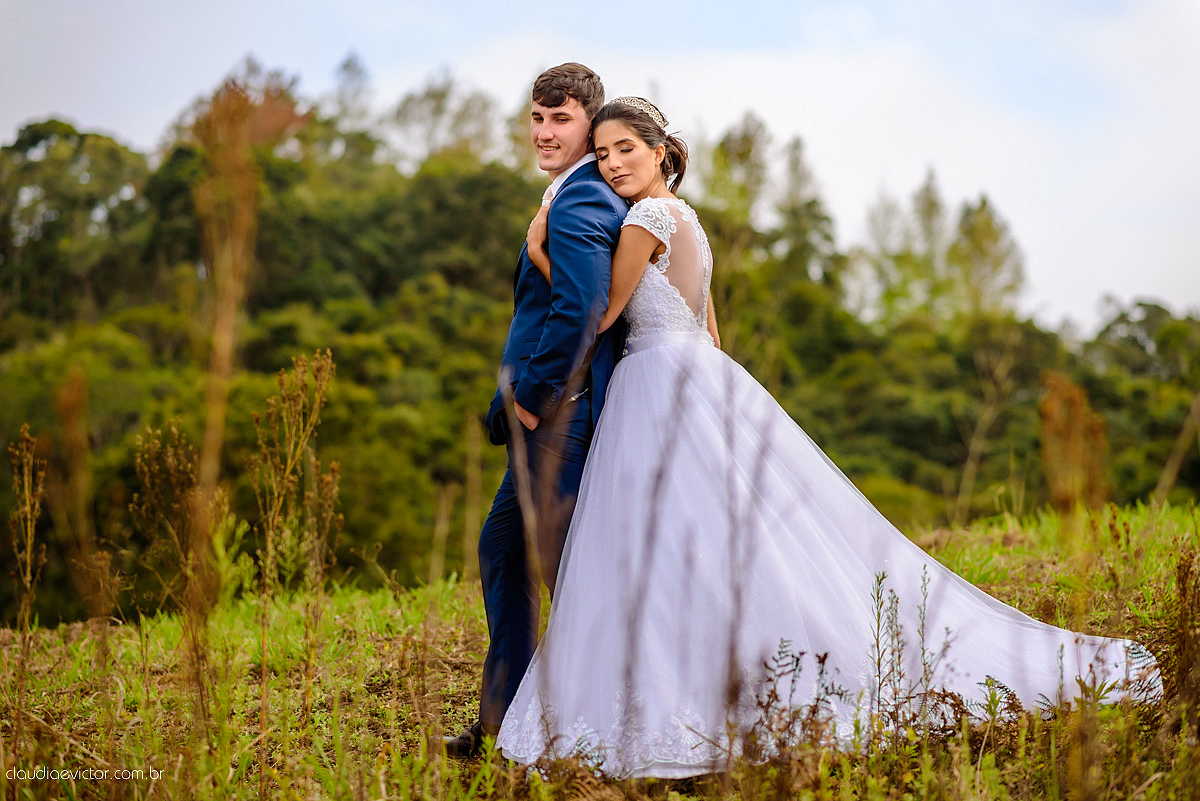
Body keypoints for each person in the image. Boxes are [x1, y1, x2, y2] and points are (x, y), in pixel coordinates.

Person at [494, 97, 1163, 778]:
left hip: (656, 381)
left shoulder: (643, 219)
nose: (611, 165)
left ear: (661, 151)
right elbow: (712, 332)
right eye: (602, 154)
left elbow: (602, 314)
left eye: (624, 151)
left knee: (666, 537)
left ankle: (690, 679)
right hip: (704, 374)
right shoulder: (691, 221)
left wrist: (545, 254)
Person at [442, 64, 629, 758]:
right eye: (538, 117)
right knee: (506, 551)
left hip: (555, 420)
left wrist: (530, 399)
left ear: (592, 125)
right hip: (550, 421)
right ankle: (506, 722)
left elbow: (580, 308)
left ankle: (594, 727)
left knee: (565, 575)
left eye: (562, 119)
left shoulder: (581, 202)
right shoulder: (577, 193)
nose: (545, 132)